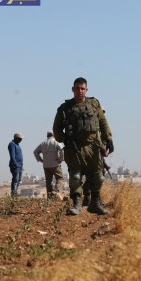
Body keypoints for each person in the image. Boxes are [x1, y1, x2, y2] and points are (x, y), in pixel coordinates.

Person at [53, 77, 114, 215]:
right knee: (75, 177)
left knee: (98, 177)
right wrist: (64, 139)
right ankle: (76, 204)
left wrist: (109, 140)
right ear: (72, 89)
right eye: (77, 88)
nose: (80, 91)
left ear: (86, 90)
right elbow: (56, 129)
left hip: (93, 147)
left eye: (82, 88)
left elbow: (103, 123)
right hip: (74, 148)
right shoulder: (65, 109)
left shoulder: (94, 104)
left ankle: (95, 203)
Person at [33, 131, 65, 199]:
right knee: (59, 178)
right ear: (53, 135)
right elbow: (62, 151)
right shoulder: (56, 142)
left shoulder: (42, 143)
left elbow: (35, 152)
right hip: (55, 164)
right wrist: (61, 159)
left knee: (48, 181)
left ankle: (50, 197)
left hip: (46, 165)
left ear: (47, 135)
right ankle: (56, 191)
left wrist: (40, 159)